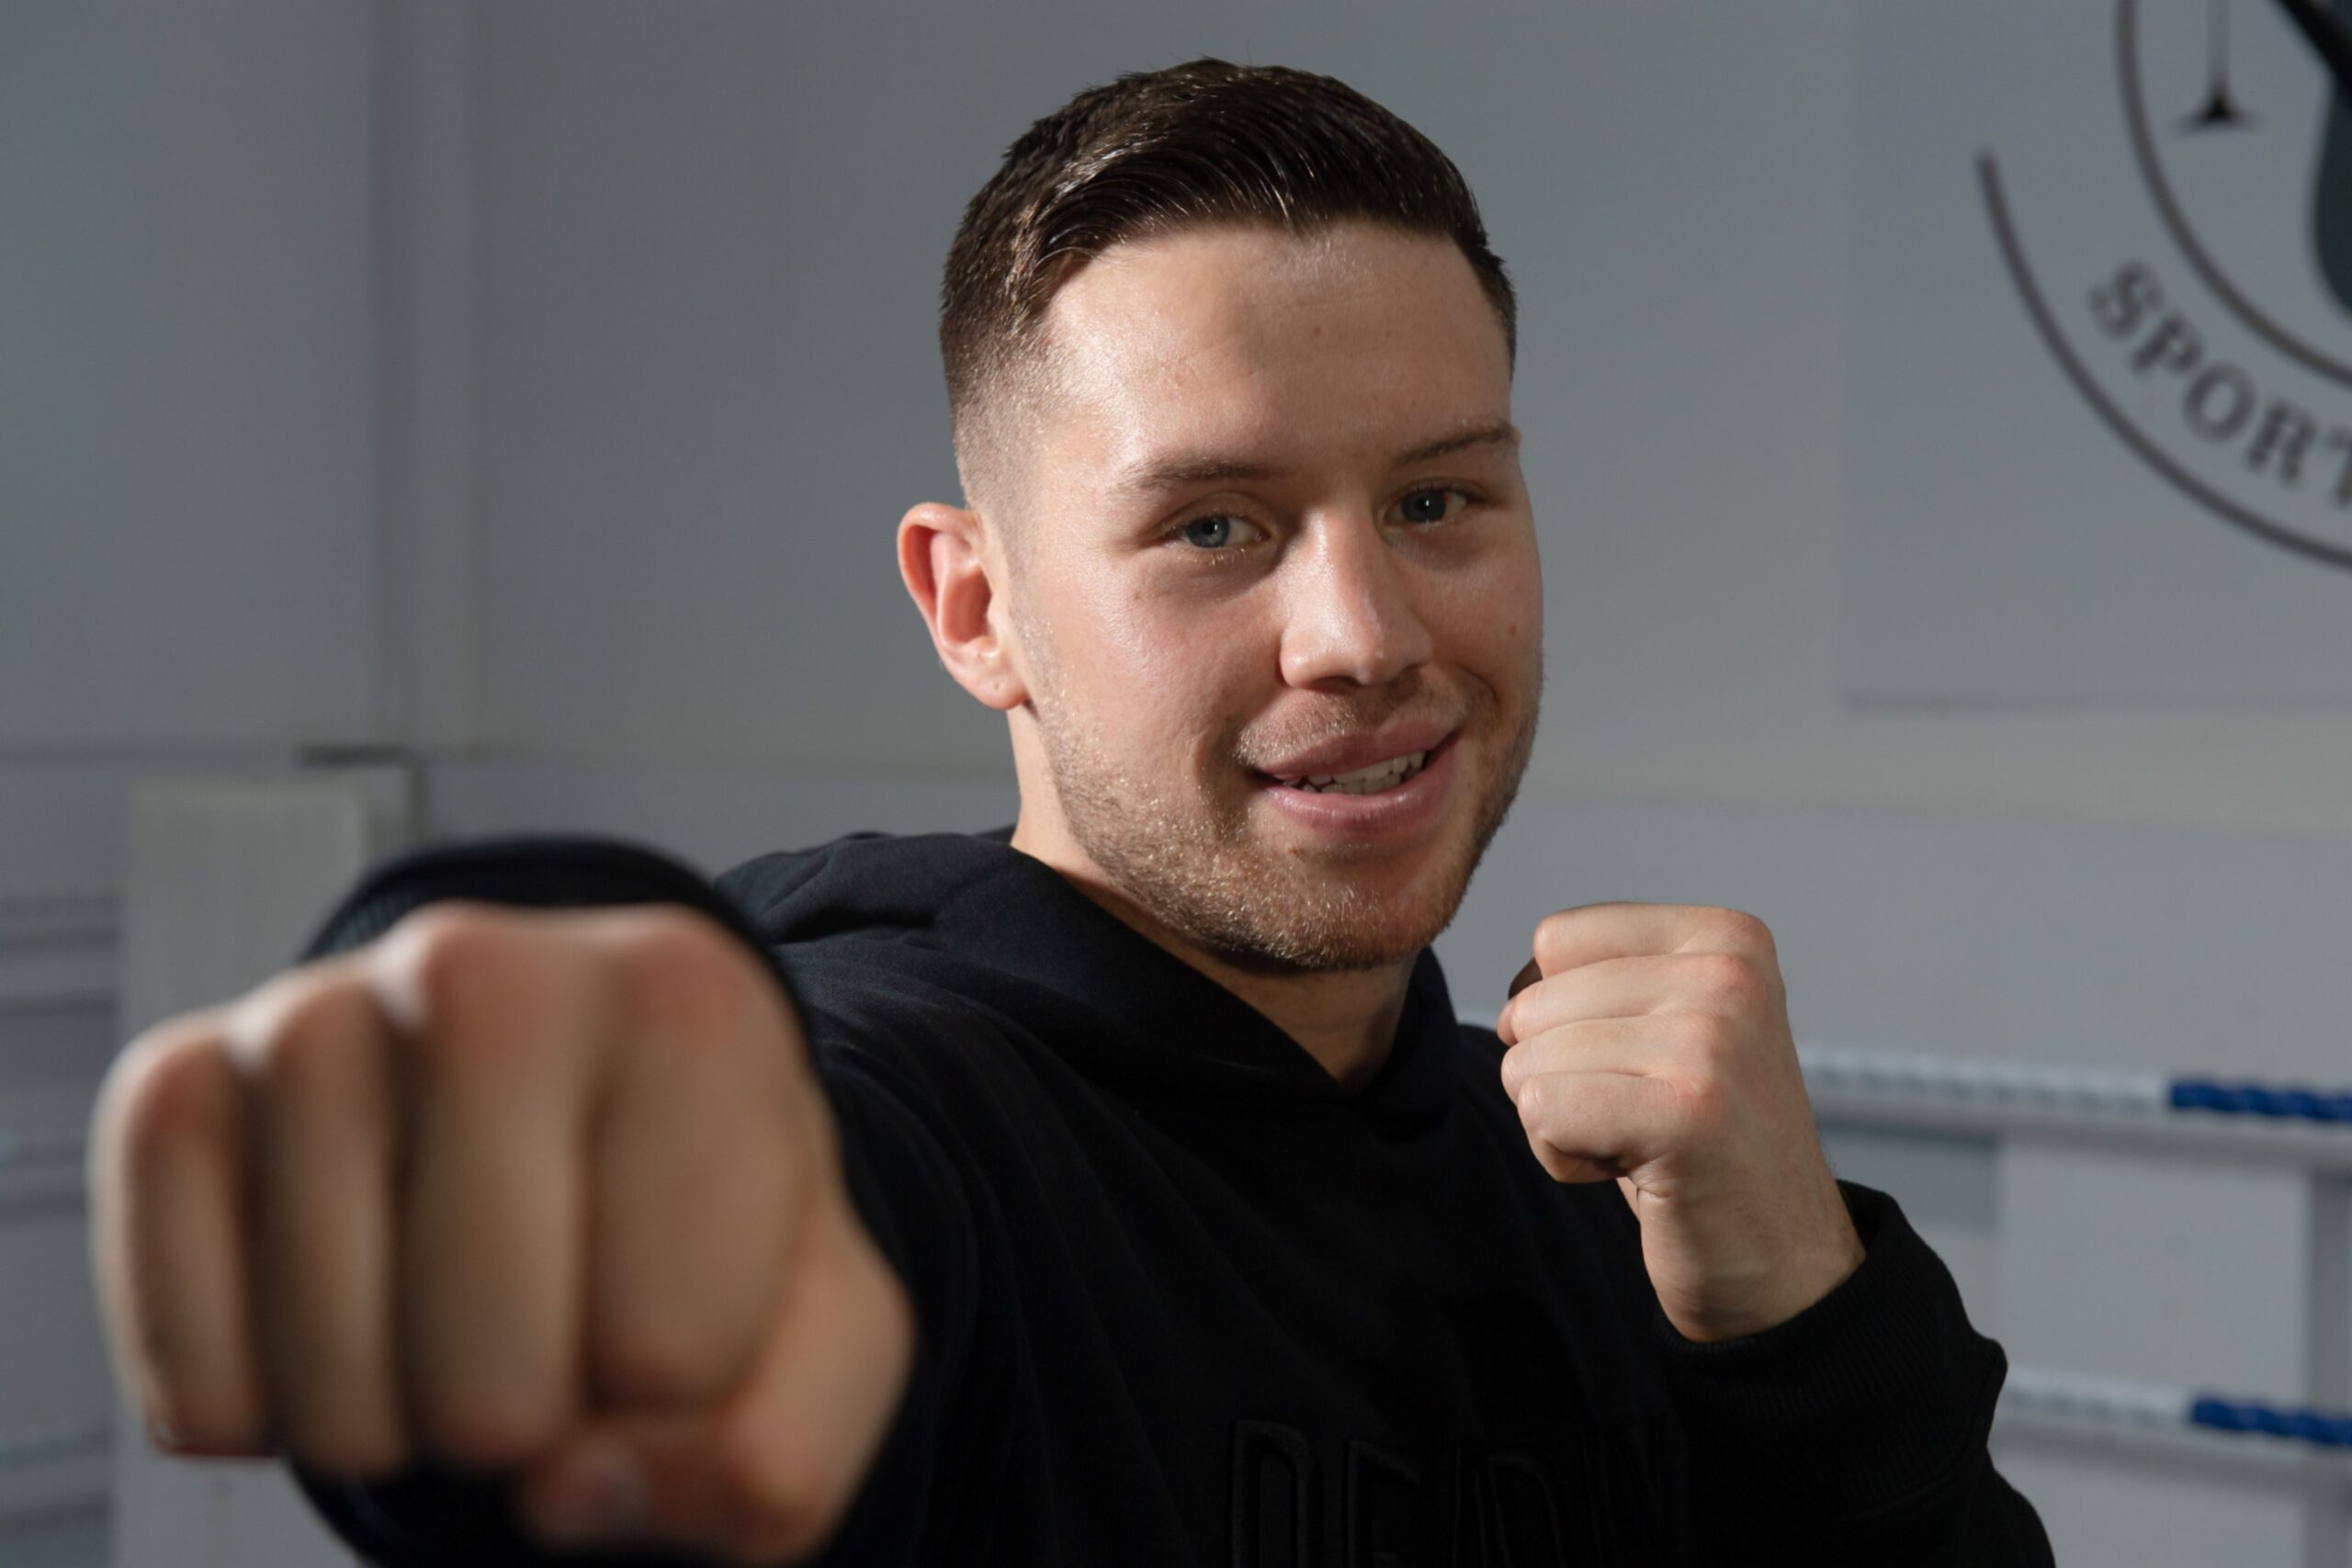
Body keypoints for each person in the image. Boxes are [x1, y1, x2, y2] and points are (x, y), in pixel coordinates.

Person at [85, 58, 2054, 1567]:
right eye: (1214, 525)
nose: (1362, 632)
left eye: (1439, 498)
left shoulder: (1591, 1199)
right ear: (977, 606)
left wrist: (1801, 1329)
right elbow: (714, 1275)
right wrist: (542, 1210)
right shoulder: (909, 1120)